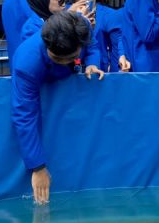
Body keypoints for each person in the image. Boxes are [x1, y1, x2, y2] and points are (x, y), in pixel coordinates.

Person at [11, 11, 104, 205]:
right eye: (58, 58)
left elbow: (93, 45)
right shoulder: (26, 63)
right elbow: (25, 116)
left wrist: (92, 63)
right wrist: (37, 167)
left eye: (70, 57)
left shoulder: (83, 25)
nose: (64, 62)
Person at [71, 0, 130, 73]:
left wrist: (118, 68)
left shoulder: (109, 14)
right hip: (71, 66)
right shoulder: (67, 11)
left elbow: (117, 41)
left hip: (99, 68)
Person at [20, 0, 90, 42]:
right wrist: (70, 19)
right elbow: (52, 47)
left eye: (66, 0)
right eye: (61, 0)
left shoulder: (56, 16)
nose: (64, 5)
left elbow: (90, 46)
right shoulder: (31, 28)